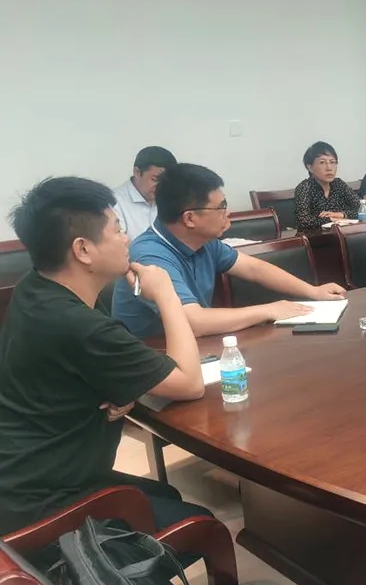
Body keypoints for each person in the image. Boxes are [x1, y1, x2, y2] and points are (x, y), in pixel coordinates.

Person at [0, 177, 210, 535]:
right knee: (200, 525)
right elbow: (190, 384)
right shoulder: (78, 322)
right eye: (118, 229)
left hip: (23, 476)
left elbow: (79, 365)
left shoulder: (36, 288)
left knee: (167, 496)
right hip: (43, 502)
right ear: (83, 250)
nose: (127, 239)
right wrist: (166, 294)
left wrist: (118, 387)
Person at [112, 164, 345, 338]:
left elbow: (254, 269)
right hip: (152, 357)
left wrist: (313, 291)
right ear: (190, 218)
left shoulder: (204, 242)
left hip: (193, 348)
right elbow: (194, 321)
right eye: (221, 207)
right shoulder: (149, 255)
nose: (228, 213)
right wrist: (270, 310)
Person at [293, 141, 363, 230]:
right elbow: (303, 220)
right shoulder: (305, 187)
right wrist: (331, 219)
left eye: (332, 162)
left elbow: (365, 209)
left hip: (343, 234)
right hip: (315, 237)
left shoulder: (339, 184)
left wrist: (341, 215)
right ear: (310, 167)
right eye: (322, 163)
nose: (329, 168)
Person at [112, 146, 177, 241]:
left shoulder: (170, 199)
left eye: (166, 182)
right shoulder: (114, 202)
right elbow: (118, 245)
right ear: (137, 172)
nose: (161, 186)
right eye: (155, 179)